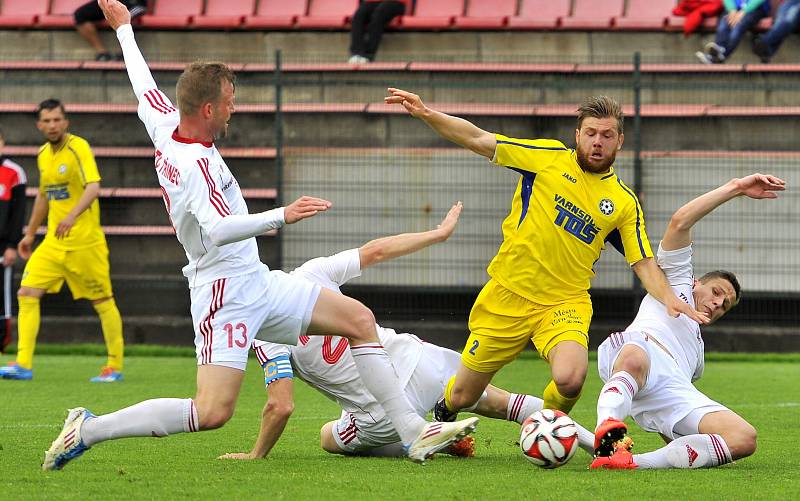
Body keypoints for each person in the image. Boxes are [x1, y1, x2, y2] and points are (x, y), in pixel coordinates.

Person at [41, 0, 478, 471]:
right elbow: (218, 229)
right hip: (222, 293)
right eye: (229, 101)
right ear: (207, 108)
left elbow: (142, 85)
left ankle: (413, 432)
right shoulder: (197, 164)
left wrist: (125, 30)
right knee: (212, 412)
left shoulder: (167, 125)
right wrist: (281, 216)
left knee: (358, 319)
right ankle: (88, 428)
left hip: (255, 279)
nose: (234, 108)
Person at [384, 88, 708, 426]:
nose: (598, 142)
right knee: (464, 395)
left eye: (607, 135)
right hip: (507, 295)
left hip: (564, 302)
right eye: (591, 133)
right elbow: (480, 139)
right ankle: (445, 408)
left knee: (570, 378)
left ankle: (547, 429)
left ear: (620, 141)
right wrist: (426, 113)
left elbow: (642, 262)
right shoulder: (547, 157)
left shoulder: (623, 203)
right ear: (578, 135)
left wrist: (671, 297)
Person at [218, 203, 597, 460]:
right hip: (420, 363)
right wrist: (437, 234)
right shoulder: (309, 273)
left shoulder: (264, 331)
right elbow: (376, 251)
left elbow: (280, 406)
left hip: (378, 416)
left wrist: (256, 455)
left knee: (327, 437)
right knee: (506, 404)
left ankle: (428, 437)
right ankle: (600, 444)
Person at [590, 173, 784, 470]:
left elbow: (676, 432)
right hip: (640, 351)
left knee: (744, 438)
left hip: (674, 387)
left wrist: (681, 443)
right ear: (696, 283)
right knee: (635, 358)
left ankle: (627, 462)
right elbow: (681, 221)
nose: (719, 303)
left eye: (725, 305)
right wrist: (735, 188)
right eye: (717, 292)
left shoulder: (696, 357)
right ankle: (607, 427)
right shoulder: (676, 280)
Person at [0, 100, 124, 383]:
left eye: (57, 120)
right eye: (47, 120)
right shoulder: (43, 154)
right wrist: (30, 234)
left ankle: (114, 366)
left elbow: (93, 187)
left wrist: (72, 216)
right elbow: (44, 195)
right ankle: (23, 363)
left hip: (85, 243)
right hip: (54, 243)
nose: (53, 125)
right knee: (27, 292)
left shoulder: (78, 147)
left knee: (103, 301)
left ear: (65, 122)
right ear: (39, 124)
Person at [0, 128, 27, 353]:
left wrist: (11, 245)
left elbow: (18, 213)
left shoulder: (14, 172)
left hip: (2, 246)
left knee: (2, 294)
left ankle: (2, 340)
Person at [695, 0, 770, 64]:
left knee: (737, 28)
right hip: (733, 9)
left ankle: (717, 57)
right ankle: (718, 52)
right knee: (722, 26)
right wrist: (732, 10)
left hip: (754, 9)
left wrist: (744, 11)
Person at [74, 0, 147, 61]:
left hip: (134, 3)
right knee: (80, 15)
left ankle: (126, 53)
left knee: (125, 17)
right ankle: (102, 53)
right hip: (113, 1)